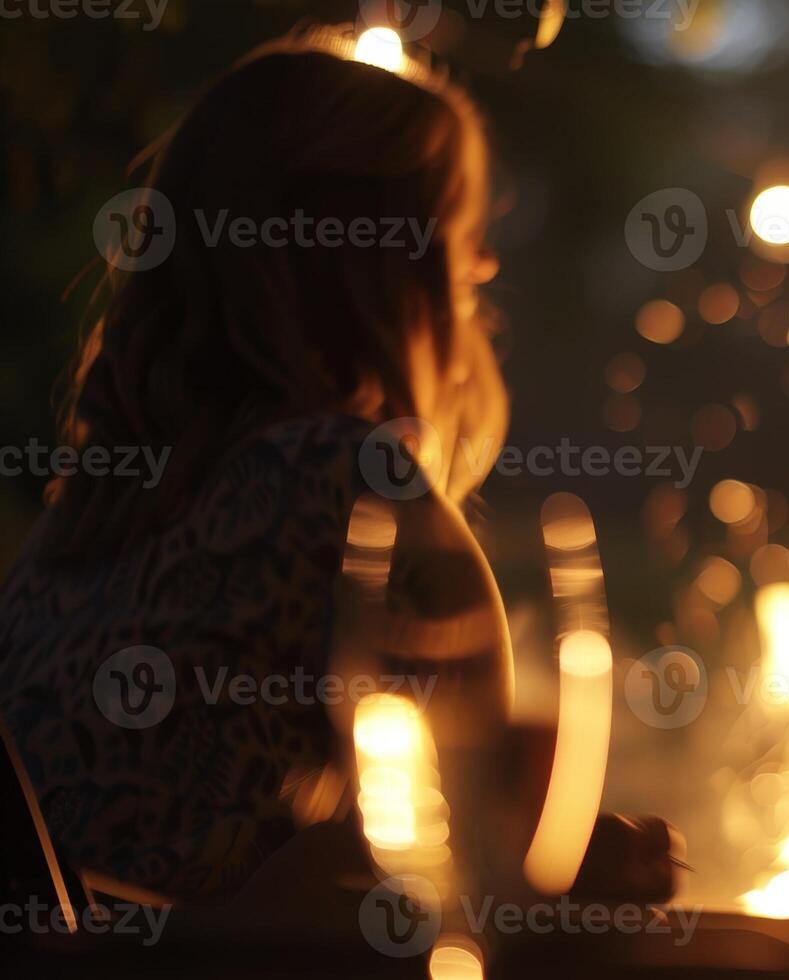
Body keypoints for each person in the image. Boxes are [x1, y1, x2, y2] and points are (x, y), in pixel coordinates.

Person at [0, 30, 678, 906]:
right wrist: (574, 873)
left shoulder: (68, 537)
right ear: (383, 266)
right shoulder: (353, 486)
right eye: (461, 233)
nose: (484, 265)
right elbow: (470, 871)